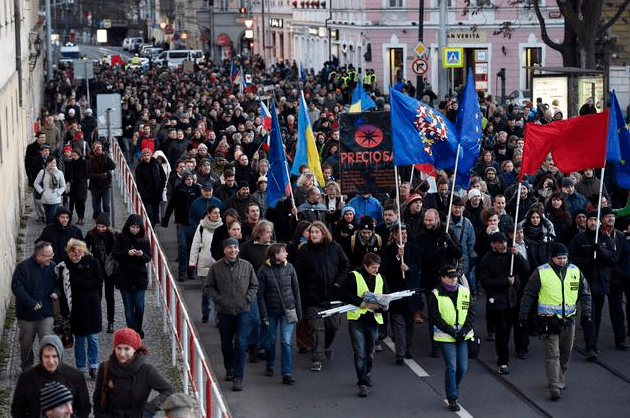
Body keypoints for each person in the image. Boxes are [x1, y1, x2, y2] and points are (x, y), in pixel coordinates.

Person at [518, 243, 592, 400]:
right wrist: (523, 316)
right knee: (553, 355)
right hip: (548, 321)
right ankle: (554, 387)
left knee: (566, 353)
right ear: (552, 258)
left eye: (565, 258)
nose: (563, 261)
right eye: (559, 258)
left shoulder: (575, 271)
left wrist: (586, 314)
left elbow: (585, 294)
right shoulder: (541, 272)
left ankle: (559, 378)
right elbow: (528, 294)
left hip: (569, 321)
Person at [294, 221, 350, 372]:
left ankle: (325, 346)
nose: (313, 235)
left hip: (332, 297)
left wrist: (338, 283)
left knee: (333, 326)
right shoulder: (304, 251)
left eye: (317, 232)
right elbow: (298, 275)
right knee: (317, 328)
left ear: (324, 233)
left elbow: (345, 266)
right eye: (311, 232)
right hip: (312, 297)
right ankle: (317, 358)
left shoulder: (335, 248)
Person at [204, 238, 258, 391]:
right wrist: (218, 299)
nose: (232, 250)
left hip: (243, 311)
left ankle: (238, 377)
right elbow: (209, 286)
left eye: (235, 247)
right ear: (224, 250)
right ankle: (229, 368)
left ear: (238, 249)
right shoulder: (216, 267)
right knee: (226, 344)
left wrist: (248, 299)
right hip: (224, 312)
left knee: (240, 344)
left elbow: (254, 284)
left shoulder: (247, 266)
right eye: (229, 248)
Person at [479, 231, 529, 374]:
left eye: (504, 242)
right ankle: (503, 361)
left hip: (511, 299)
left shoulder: (511, 256)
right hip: (496, 300)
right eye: (499, 242)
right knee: (501, 330)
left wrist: (518, 255)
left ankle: (502, 351)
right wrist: (505, 281)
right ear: (493, 244)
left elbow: (526, 268)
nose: (503, 245)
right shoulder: (486, 260)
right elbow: (485, 282)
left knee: (507, 329)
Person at [93, 328, 174, 417]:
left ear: (135, 349)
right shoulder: (105, 367)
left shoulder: (147, 370)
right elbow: (97, 396)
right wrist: (99, 415)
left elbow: (169, 391)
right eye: (118, 348)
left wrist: (149, 409)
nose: (122, 353)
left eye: (126, 349)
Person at [428, 265, 475, 412]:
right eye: (450, 277)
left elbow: (471, 313)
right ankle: (452, 397)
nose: (453, 280)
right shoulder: (435, 294)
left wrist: (464, 330)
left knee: (463, 367)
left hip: (463, 335)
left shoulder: (464, 291)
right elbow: (435, 317)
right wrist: (450, 331)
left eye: (455, 277)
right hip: (446, 336)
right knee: (452, 367)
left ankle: (453, 385)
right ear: (442, 278)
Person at [340, 252, 386, 397]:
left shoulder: (381, 278)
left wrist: (381, 306)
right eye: (373, 267)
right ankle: (363, 382)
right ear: (365, 265)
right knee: (360, 352)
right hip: (357, 319)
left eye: (377, 267)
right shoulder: (353, 276)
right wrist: (360, 303)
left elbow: (386, 297)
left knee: (370, 352)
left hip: (373, 320)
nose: (376, 270)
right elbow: (343, 293)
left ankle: (366, 374)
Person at [11, 334, 91, 418]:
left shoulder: (75, 376)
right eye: (46, 357)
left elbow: (84, 407)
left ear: (60, 355)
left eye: (54, 356)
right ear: (41, 356)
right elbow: (17, 410)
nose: (51, 361)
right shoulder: (26, 377)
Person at [56, 239, 103, 378]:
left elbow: (98, 281)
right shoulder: (64, 267)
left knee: (93, 338)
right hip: (75, 308)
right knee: (80, 341)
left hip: (92, 306)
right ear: (68, 253)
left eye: (79, 253)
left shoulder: (92, 262)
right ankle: (81, 368)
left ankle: (93, 366)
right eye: (73, 253)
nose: (76, 256)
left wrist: (81, 283)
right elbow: (63, 289)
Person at [257, 243, 302, 385]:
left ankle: (287, 373)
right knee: (271, 340)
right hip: (270, 311)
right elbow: (260, 295)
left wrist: (298, 311)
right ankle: (270, 363)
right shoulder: (263, 271)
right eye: (283, 252)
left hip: (287, 311)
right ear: (275, 254)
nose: (286, 254)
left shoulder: (290, 268)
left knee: (286, 342)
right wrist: (263, 314)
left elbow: (296, 290)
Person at [11, 241, 60, 371]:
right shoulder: (23, 268)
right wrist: (31, 303)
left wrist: (56, 292)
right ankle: (27, 368)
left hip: (46, 313)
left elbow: (58, 284)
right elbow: (17, 288)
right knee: (26, 344)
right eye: (49, 255)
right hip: (27, 315)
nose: (52, 257)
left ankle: (46, 367)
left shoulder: (52, 267)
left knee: (47, 343)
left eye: (52, 254)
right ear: (39, 255)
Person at [111, 214, 152, 338]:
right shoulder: (121, 238)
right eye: (133, 227)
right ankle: (133, 334)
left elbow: (148, 257)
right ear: (128, 227)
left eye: (137, 227)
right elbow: (115, 253)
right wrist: (127, 252)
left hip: (140, 279)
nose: (135, 229)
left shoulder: (144, 239)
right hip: (124, 279)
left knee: (139, 307)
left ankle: (137, 328)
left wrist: (141, 255)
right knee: (128, 309)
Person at [85, 213, 119, 333]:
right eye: (99, 226)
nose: (101, 229)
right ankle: (97, 319)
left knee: (110, 297)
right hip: (96, 270)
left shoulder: (114, 235)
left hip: (109, 270)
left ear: (107, 226)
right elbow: (85, 247)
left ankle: (111, 321)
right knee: (96, 296)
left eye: (103, 227)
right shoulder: (91, 234)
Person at [188, 205, 223, 323]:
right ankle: (206, 312)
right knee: (206, 291)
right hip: (204, 262)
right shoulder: (201, 227)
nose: (218, 215)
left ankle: (218, 317)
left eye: (218, 213)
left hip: (218, 263)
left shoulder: (223, 227)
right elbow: (195, 244)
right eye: (215, 213)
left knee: (219, 291)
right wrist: (192, 261)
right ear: (208, 214)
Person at [86, 141, 116, 219]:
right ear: (93, 149)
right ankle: (98, 219)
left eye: (100, 147)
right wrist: (101, 176)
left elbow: (113, 166)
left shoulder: (105, 157)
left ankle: (106, 220)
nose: (99, 149)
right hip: (95, 186)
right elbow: (89, 174)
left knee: (106, 205)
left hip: (105, 185)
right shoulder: (90, 159)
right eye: (97, 147)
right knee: (96, 206)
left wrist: (107, 157)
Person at [34, 156, 66, 225]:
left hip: (56, 198)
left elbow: (63, 186)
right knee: (48, 216)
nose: (52, 164)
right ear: (47, 163)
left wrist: (58, 193)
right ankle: (48, 231)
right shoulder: (42, 172)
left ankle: (52, 231)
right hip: (45, 198)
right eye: (50, 163)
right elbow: (36, 183)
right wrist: (42, 192)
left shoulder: (59, 173)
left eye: (54, 162)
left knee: (53, 216)